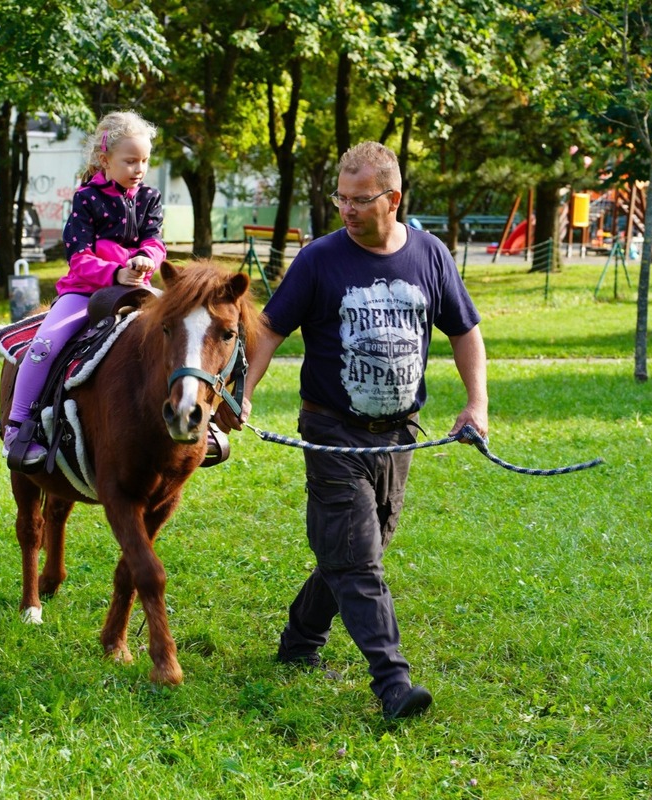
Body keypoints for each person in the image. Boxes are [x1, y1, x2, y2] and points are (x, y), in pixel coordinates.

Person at [237, 142, 489, 719]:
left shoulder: (430, 255)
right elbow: (270, 331)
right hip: (331, 431)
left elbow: (465, 330)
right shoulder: (319, 260)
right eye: (340, 199)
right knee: (357, 556)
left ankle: (298, 643)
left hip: (399, 434)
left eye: (360, 200)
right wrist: (242, 395)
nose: (346, 211)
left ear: (394, 198)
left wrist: (476, 404)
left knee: (355, 546)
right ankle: (393, 684)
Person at [3, 111, 166, 470]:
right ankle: (18, 426)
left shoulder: (150, 198)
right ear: (105, 160)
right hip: (84, 293)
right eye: (130, 161)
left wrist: (144, 260)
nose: (139, 168)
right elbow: (79, 259)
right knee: (45, 345)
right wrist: (116, 274)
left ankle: (201, 422)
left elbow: (155, 242)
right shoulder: (87, 200)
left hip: (139, 290)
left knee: (183, 334)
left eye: (145, 161)